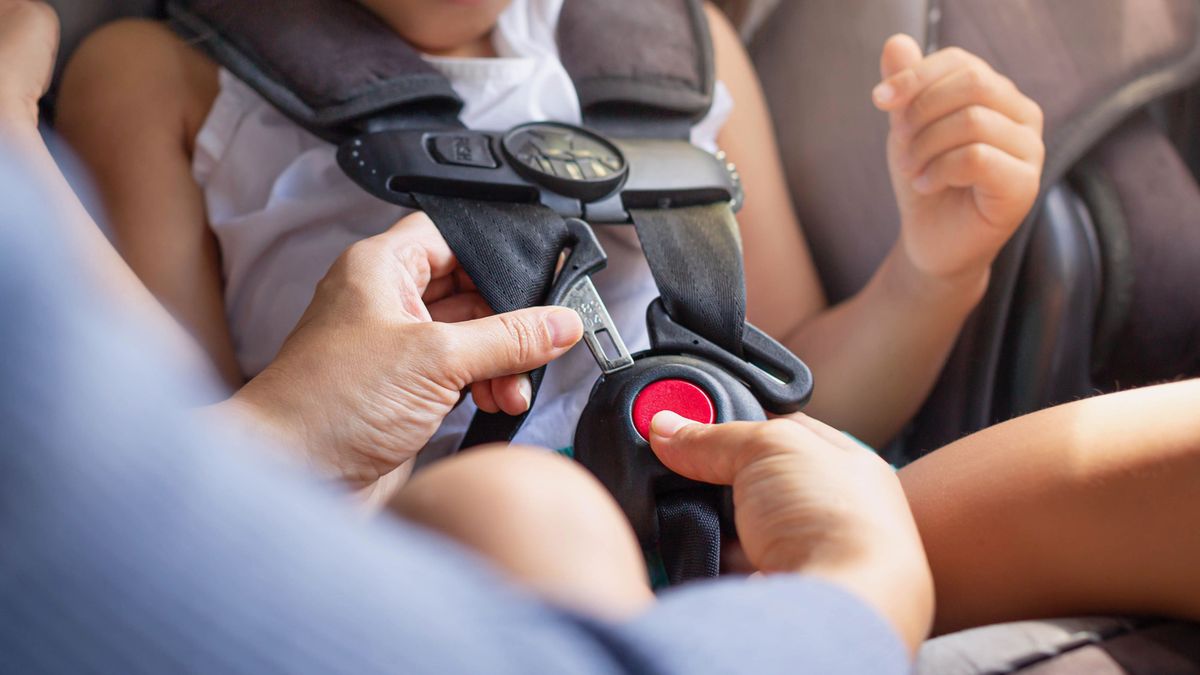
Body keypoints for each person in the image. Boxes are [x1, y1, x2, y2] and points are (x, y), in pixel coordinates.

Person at [19, 0, 1200, 640]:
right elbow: (163, 463)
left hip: (750, 528)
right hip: (442, 555)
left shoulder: (671, 42)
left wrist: (933, 273)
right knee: (528, 507)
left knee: (1164, 462)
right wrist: (15, 134)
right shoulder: (159, 75)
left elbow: (796, 387)